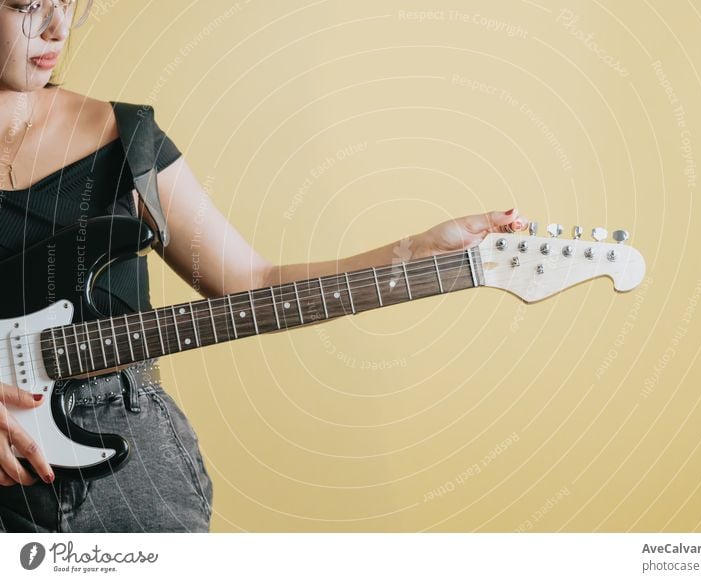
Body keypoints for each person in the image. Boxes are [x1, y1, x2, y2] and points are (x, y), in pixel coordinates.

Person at [0, 0, 530, 532]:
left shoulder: (127, 139)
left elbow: (254, 282)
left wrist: (417, 252)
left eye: (66, 3)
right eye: (25, 4)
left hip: (126, 467)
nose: (56, 29)